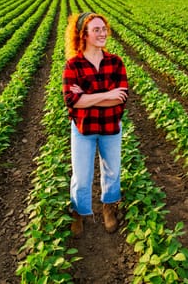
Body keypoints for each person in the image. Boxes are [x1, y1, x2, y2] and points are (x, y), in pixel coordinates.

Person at [62, 12, 128, 237]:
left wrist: (87, 97)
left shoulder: (115, 62)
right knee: (81, 175)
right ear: (84, 35)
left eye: (104, 29)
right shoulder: (73, 65)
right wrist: (106, 95)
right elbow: (72, 102)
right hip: (83, 128)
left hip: (111, 126)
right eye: (96, 30)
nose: (102, 33)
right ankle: (78, 212)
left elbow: (121, 98)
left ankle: (108, 208)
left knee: (112, 171)